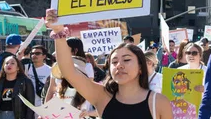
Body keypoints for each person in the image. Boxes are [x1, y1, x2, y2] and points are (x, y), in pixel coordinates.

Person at [45, 9, 173, 119]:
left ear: (141, 67)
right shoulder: (102, 96)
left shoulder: (158, 102)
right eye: (114, 61)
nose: (119, 65)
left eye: (127, 59)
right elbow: (68, 71)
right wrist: (58, 31)